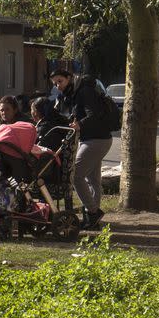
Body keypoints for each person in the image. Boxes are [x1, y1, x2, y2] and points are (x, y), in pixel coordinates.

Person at [50, 69, 113, 229]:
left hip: (96, 140)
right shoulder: (72, 93)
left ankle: (93, 212)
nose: (58, 86)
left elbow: (94, 113)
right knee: (93, 180)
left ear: (69, 78)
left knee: (76, 175)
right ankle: (92, 220)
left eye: (60, 81)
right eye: (55, 83)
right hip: (94, 139)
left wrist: (80, 124)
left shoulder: (84, 91)